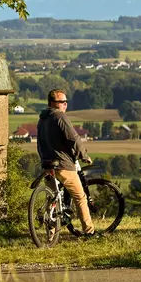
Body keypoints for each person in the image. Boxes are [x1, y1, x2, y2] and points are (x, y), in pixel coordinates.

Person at [37, 89, 96, 237]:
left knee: (52, 199)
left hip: (47, 164)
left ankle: (50, 236)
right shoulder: (60, 116)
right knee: (80, 197)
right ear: (53, 103)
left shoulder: (42, 119)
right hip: (63, 165)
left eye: (66, 102)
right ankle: (89, 232)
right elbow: (74, 138)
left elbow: (39, 143)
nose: (65, 104)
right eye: (62, 102)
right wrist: (83, 155)